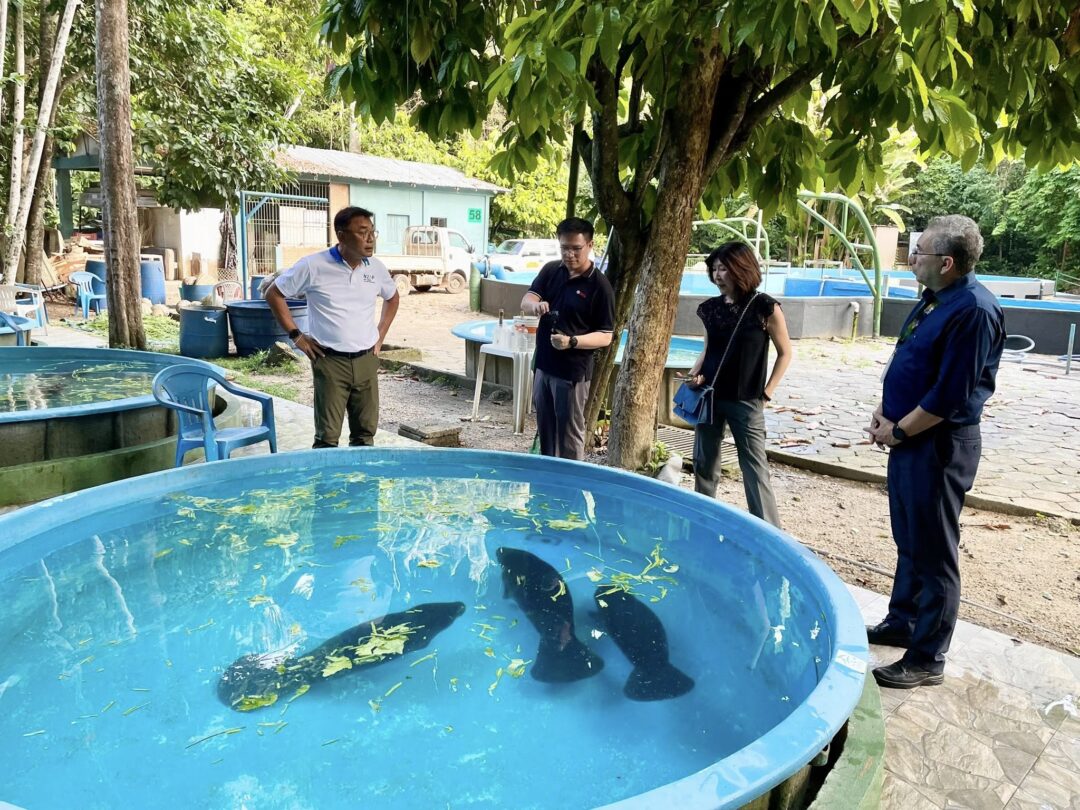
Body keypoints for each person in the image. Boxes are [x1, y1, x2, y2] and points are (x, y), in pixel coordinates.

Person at [864, 215, 1005, 689]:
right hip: (908, 440)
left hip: (938, 447)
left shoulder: (974, 311)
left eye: (918, 251)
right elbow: (905, 359)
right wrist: (885, 412)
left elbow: (951, 394)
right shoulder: (934, 299)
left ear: (946, 262)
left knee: (934, 552)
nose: (910, 257)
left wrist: (899, 432)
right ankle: (902, 622)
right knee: (909, 539)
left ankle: (927, 657)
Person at [266, 206, 400, 448]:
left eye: (372, 232)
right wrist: (297, 336)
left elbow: (392, 297)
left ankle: (363, 485)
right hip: (329, 361)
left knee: (365, 435)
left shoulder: (376, 268)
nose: (370, 239)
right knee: (327, 438)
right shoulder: (313, 266)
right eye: (362, 232)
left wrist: (380, 336)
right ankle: (327, 487)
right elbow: (273, 293)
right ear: (341, 235)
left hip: (367, 359)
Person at [686, 241, 792, 527]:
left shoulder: (765, 307)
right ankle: (703, 519)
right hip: (709, 395)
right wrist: (694, 374)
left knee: (755, 468)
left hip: (747, 399)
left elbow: (785, 353)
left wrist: (767, 393)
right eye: (715, 269)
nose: (718, 275)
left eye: (724, 268)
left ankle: (769, 531)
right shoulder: (710, 309)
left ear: (741, 269)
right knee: (704, 462)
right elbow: (708, 350)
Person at [520, 218, 615, 459]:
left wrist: (572, 341)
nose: (570, 254)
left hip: (572, 373)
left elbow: (606, 336)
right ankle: (545, 487)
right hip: (543, 366)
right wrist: (536, 306)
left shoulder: (599, 286)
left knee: (570, 435)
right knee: (545, 430)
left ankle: (571, 491)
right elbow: (526, 301)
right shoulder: (552, 270)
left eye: (576, 248)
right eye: (564, 248)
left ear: (590, 245)